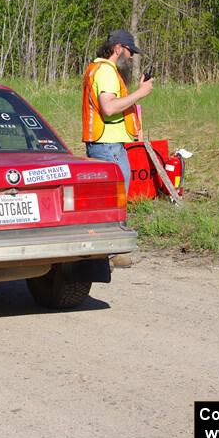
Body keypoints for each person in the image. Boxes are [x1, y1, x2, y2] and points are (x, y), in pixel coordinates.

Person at [82, 29, 153, 267]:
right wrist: (140, 93)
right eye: (130, 51)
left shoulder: (98, 69)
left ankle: (109, 251)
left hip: (107, 144)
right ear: (118, 48)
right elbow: (109, 108)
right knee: (112, 200)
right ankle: (111, 253)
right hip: (107, 146)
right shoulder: (106, 72)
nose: (131, 57)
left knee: (107, 200)